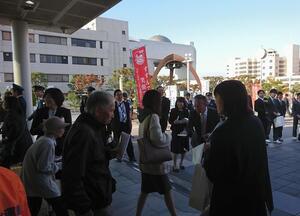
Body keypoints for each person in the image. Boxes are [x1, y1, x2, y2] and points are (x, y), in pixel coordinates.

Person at [203, 80, 273, 216]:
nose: (215, 102)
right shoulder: (255, 122)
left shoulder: (224, 131)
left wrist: (208, 152)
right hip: (256, 196)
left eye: (217, 98)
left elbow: (214, 173)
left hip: (231, 201)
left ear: (226, 100)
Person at [62, 91, 117, 216]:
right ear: (98, 110)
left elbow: (92, 157)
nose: (113, 115)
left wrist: (109, 152)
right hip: (92, 203)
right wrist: (84, 208)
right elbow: (72, 175)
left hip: (97, 195)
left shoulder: (94, 127)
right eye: (111, 110)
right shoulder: (84, 133)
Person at [136, 89, 176, 216]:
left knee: (145, 191)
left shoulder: (143, 115)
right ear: (155, 102)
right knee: (167, 190)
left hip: (146, 161)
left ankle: (138, 214)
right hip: (155, 164)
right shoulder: (153, 116)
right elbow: (157, 139)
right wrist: (167, 137)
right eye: (160, 100)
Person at [22, 117, 69, 216]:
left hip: (31, 180)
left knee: (33, 207)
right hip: (39, 181)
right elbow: (43, 167)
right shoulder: (48, 143)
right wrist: (60, 165)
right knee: (60, 206)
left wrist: (57, 161)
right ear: (55, 130)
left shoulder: (44, 140)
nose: (64, 130)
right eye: (62, 128)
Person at [30, 88, 71, 156]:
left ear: (56, 98)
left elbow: (68, 131)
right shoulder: (40, 112)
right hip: (43, 147)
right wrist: (42, 126)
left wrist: (57, 130)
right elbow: (32, 131)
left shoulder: (65, 112)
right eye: (45, 97)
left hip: (59, 148)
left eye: (48, 97)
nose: (46, 99)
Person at [0, 96, 32, 168]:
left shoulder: (11, 115)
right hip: (24, 145)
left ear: (9, 103)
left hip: (16, 148)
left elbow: (13, 133)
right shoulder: (18, 113)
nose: (3, 103)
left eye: (4, 102)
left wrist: (4, 139)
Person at [111, 89, 136, 161]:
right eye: (118, 95)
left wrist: (130, 124)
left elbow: (129, 115)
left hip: (125, 125)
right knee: (116, 141)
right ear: (115, 96)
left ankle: (132, 157)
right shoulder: (112, 105)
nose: (120, 96)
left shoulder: (126, 104)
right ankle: (117, 156)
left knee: (128, 141)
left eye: (121, 94)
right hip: (116, 126)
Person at [169, 97, 189, 172]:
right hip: (176, 132)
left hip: (184, 132)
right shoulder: (173, 111)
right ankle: (175, 165)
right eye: (178, 102)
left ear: (184, 103)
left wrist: (185, 121)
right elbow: (170, 121)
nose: (179, 103)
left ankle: (181, 163)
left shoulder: (186, 111)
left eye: (181, 102)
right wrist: (176, 122)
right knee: (175, 148)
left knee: (184, 148)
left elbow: (189, 121)